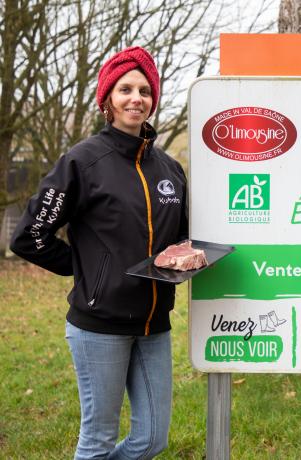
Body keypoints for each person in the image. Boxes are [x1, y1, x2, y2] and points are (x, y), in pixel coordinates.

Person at [10, 46, 187, 459]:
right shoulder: (82, 161)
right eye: (125, 88)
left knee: (152, 439)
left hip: (153, 325)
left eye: (144, 90)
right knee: (98, 441)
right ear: (108, 98)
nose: (136, 98)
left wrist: (188, 255)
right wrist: (89, 269)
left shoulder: (169, 169)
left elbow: (181, 238)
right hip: (98, 325)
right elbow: (29, 236)